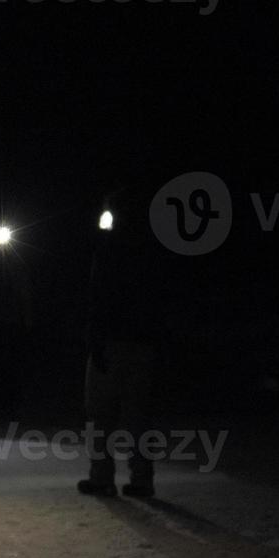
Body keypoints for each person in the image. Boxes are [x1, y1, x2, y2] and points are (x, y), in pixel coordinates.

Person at [78, 194, 167, 498]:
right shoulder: (151, 250)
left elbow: (97, 298)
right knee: (137, 415)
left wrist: (95, 338)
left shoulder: (107, 251)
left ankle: (102, 477)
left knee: (101, 413)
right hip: (143, 342)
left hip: (113, 340)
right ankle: (142, 479)